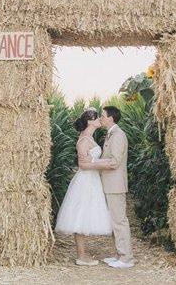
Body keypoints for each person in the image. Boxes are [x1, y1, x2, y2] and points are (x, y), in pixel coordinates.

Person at [54, 108, 112, 266]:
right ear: (90, 121)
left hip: (92, 179)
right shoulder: (84, 140)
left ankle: (83, 254)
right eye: (96, 117)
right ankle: (81, 256)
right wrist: (104, 163)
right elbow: (82, 164)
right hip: (85, 181)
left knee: (85, 216)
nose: (100, 119)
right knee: (81, 216)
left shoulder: (90, 138)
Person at [79, 106, 134, 269]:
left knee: (119, 221)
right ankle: (119, 254)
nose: (100, 118)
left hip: (115, 185)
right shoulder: (110, 134)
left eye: (102, 116)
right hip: (108, 184)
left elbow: (115, 162)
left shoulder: (118, 135)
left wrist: (93, 162)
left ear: (110, 118)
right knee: (114, 222)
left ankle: (126, 258)